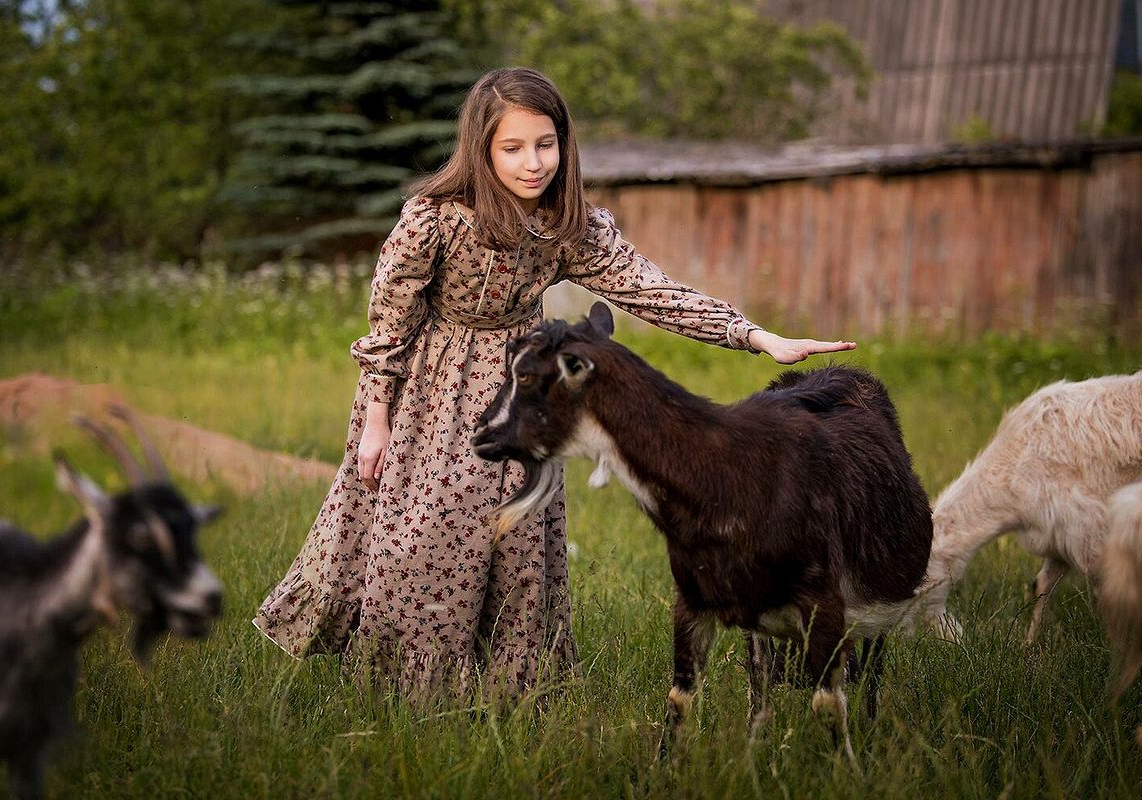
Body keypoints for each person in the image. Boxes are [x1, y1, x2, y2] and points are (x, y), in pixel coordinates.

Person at [253, 67, 855, 699]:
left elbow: (652, 291)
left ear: (564, 144)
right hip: (428, 394)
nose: (532, 162)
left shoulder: (568, 226)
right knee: (426, 541)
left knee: (511, 545)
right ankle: (405, 695)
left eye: (545, 144)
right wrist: (375, 418)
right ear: (482, 150)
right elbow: (389, 322)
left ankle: (506, 694)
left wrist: (755, 336)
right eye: (512, 148)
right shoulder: (434, 219)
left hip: (523, 388)